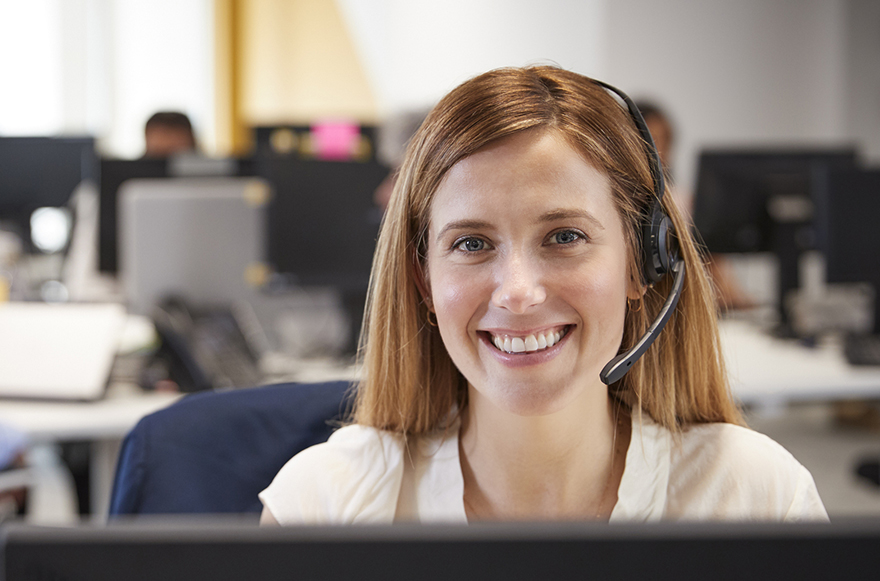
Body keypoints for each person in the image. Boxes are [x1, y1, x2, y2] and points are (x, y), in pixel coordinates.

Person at [259, 66, 827, 524]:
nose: (519, 293)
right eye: (473, 243)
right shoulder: (321, 508)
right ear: (423, 280)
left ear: (642, 262)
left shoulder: (758, 500)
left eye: (565, 236)